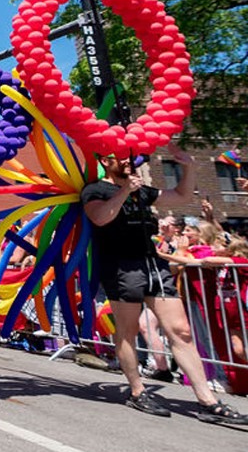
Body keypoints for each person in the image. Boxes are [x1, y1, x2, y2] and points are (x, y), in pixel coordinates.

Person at [82, 150, 247, 425]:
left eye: (128, 156)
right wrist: (124, 192)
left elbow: (181, 197)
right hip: (121, 266)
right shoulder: (94, 190)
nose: (127, 160)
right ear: (104, 161)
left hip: (153, 265)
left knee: (181, 331)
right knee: (128, 330)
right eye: (120, 157)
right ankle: (137, 390)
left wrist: (189, 168)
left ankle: (208, 400)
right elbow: (100, 218)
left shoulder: (143, 190)